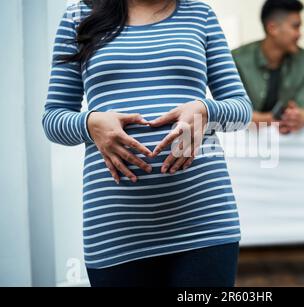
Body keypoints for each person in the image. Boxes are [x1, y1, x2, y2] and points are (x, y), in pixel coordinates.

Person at [42, 0, 252, 287]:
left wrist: (206, 110)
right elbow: (53, 119)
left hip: (205, 220)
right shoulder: (79, 16)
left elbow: (241, 109)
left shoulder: (200, 14)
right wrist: (90, 124)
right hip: (116, 230)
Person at [232, 0, 304, 135]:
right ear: (272, 28)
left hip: (285, 144)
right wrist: (272, 119)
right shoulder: (236, 59)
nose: (300, 34)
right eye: (295, 27)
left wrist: (299, 117)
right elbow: (230, 111)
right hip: (242, 144)